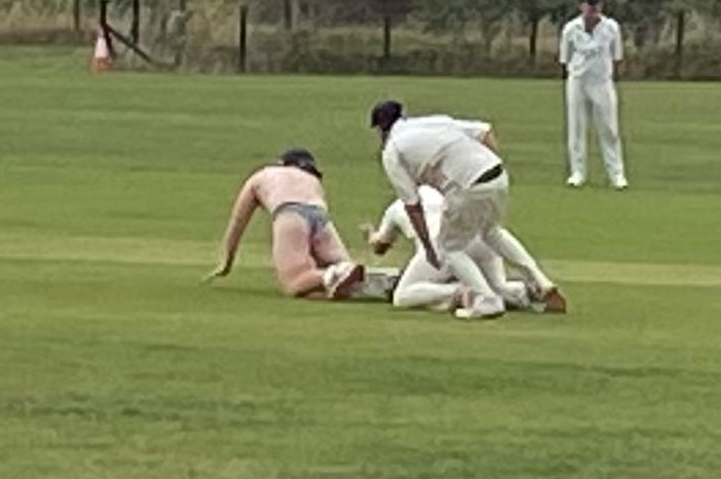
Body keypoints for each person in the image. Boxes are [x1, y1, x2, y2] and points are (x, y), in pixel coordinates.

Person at [369, 101, 565, 320]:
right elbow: (485, 132)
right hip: (496, 174)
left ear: (380, 129)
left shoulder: (393, 151)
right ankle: (541, 282)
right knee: (491, 232)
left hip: (465, 186)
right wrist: (484, 169)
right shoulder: (433, 122)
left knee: (448, 249)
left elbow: (413, 207)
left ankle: (486, 300)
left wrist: (430, 248)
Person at [208, 148, 366, 299]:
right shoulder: (312, 180)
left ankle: (336, 273)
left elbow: (238, 221)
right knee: (326, 280)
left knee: (294, 280)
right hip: (321, 218)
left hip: (290, 213)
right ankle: (347, 274)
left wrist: (227, 262)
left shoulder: (263, 175)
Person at [364, 186, 534, 313]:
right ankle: (521, 292)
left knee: (403, 296)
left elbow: (380, 246)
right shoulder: (446, 189)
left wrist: (371, 236)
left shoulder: (397, 206)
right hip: (480, 236)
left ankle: (460, 291)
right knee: (497, 287)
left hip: (440, 242)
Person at [559, 0, 628, 189]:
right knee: (577, 127)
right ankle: (577, 172)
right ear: (581, 6)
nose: (592, 9)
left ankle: (616, 174)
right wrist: (576, 71)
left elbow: (616, 56)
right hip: (578, 81)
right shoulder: (571, 29)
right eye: (588, 4)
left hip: (602, 82)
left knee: (609, 128)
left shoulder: (611, 27)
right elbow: (565, 58)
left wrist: (606, 74)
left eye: (595, 4)